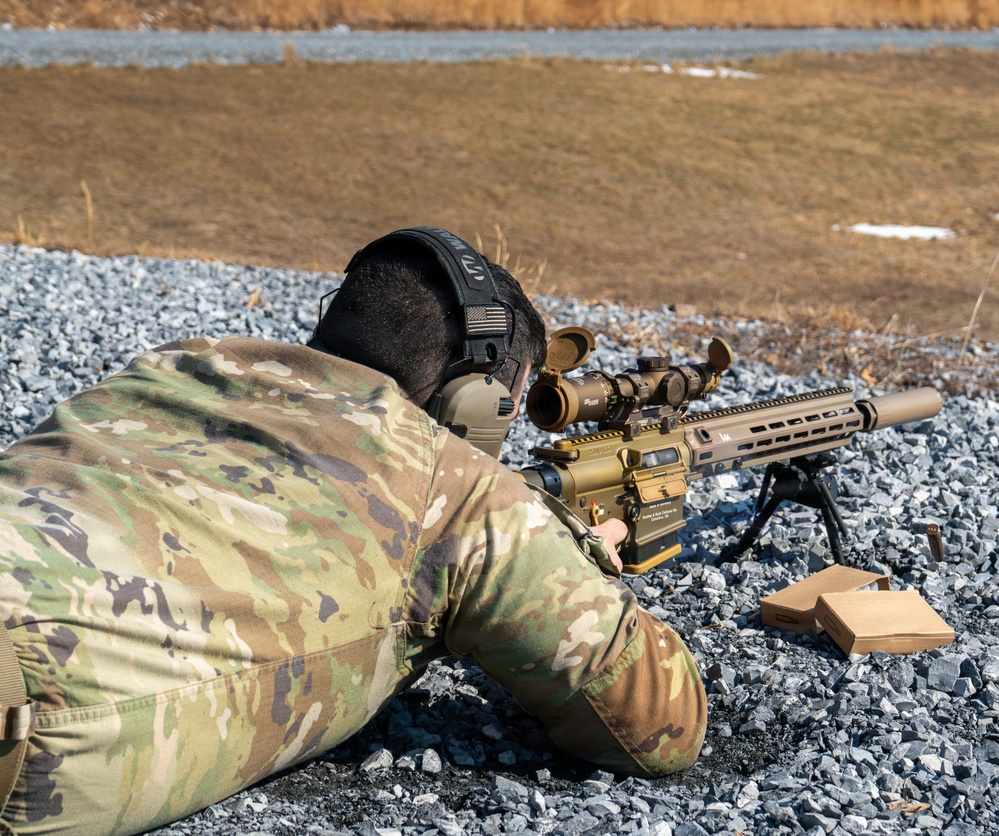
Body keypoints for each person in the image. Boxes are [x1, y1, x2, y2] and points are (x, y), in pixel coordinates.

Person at [0, 227, 706, 835]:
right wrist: (577, 562)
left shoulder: (171, 367)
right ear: (476, 401)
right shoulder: (453, 488)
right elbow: (656, 726)